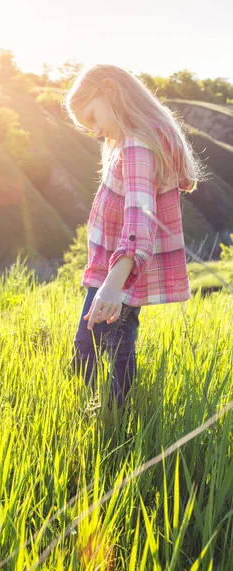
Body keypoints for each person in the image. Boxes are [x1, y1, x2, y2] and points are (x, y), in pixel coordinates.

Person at [62, 64, 206, 416]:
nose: (96, 131)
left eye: (93, 117)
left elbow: (141, 218)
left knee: (89, 349)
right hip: (117, 269)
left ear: (110, 89)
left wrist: (112, 285)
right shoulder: (135, 139)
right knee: (118, 345)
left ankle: (102, 421)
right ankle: (107, 416)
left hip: (118, 271)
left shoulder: (137, 144)